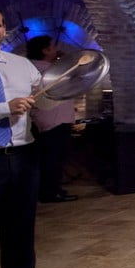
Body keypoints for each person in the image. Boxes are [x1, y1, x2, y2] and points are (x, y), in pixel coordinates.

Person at [0, 2, 58, 268]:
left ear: (4, 29)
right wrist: (4, 109)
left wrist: (63, 90)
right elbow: (8, 107)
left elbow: (44, 100)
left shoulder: (20, 65)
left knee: (19, 224)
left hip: (22, 154)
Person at [25, 36, 78, 203]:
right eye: (53, 47)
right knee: (53, 159)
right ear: (45, 50)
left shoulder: (31, 67)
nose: (56, 49)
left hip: (45, 119)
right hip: (54, 120)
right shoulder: (49, 70)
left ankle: (51, 189)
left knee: (49, 158)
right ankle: (50, 192)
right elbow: (74, 82)